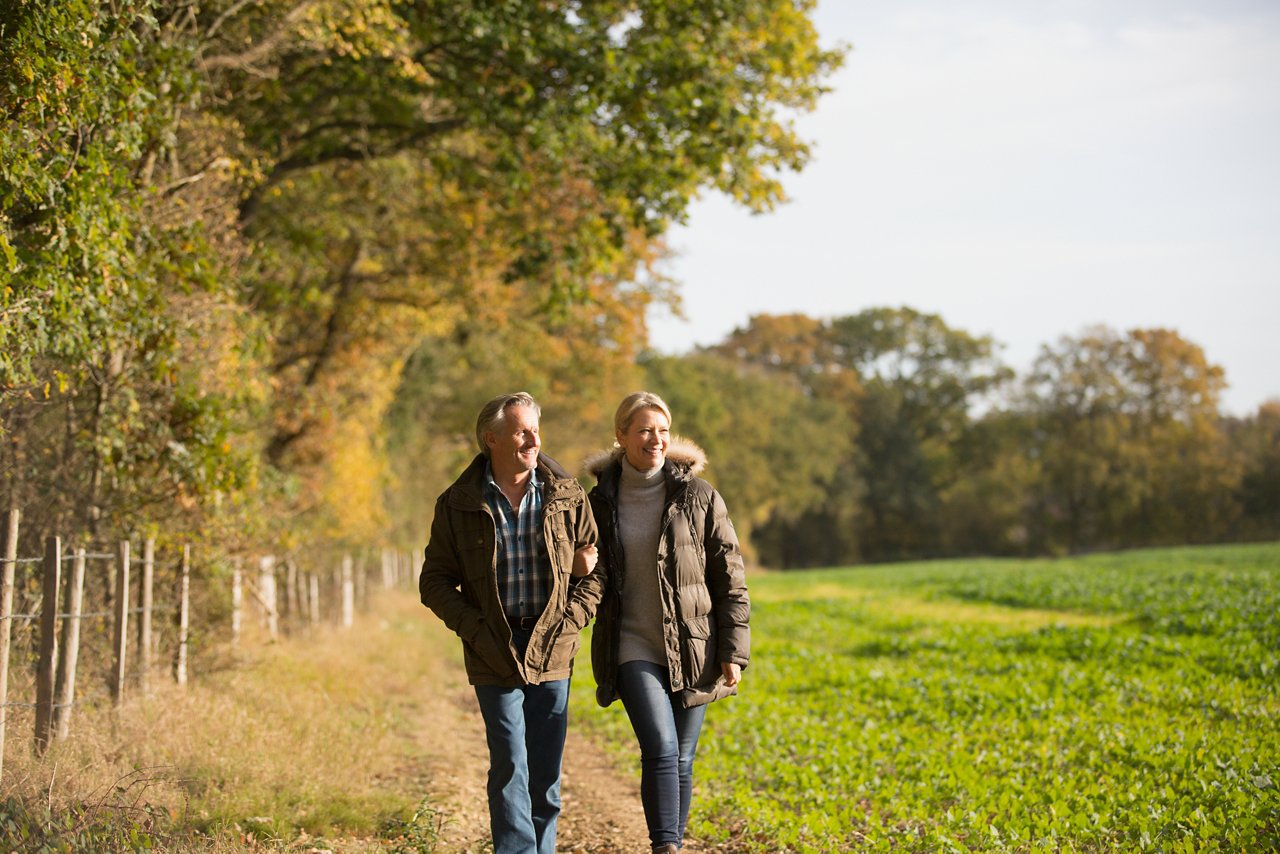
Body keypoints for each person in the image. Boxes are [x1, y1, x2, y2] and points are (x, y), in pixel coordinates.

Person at [419, 391, 603, 854]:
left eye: (535, 429)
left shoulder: (567, 495)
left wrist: (570, 620)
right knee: (509, 765)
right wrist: (475, 629)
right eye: (522, 430)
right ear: (492, 439)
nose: (533, 439)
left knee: (545, 773)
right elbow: (434, 582)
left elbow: (598, 571)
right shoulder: (457, 503)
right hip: (493, 648)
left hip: (553, 646)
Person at [584, 391, 750, 853]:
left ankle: (671, 842)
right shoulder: (599, 502)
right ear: (621, 436)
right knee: (659, 748)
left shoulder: (699, 497)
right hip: (631, 643)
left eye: (661, 430)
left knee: (682, 758)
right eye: (643, 430)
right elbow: (585, 571)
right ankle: (666, 847)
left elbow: (730, 578)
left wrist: (733, 652)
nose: (655, 439)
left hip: (695, 646)